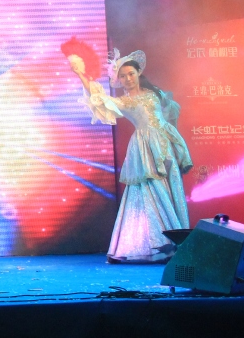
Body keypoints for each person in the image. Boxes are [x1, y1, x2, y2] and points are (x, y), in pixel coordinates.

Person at [71, 49, 192, 263]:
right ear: (118, 80)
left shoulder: (153, 93)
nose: (128, 79)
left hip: (165, 144)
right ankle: (156, 243)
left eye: (131, 74)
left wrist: (174, 139)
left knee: (170, 188)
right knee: (148, 190)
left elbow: (170, 111)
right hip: (145, 148)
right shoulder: (124, 102)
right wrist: (80, 73)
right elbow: (98, 98)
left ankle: (176, 242)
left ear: (138, 73)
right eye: (123, 76)